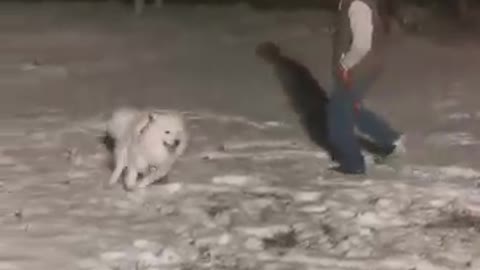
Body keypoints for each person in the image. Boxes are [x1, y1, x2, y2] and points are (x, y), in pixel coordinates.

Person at [328, 0, 404, 175]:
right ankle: (390, 141)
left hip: (357, 69)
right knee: (351, 108)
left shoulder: (357, 5)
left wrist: (345, 66)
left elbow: (362, 44)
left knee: (338, 117)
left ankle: (352, 164)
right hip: (363, 67)